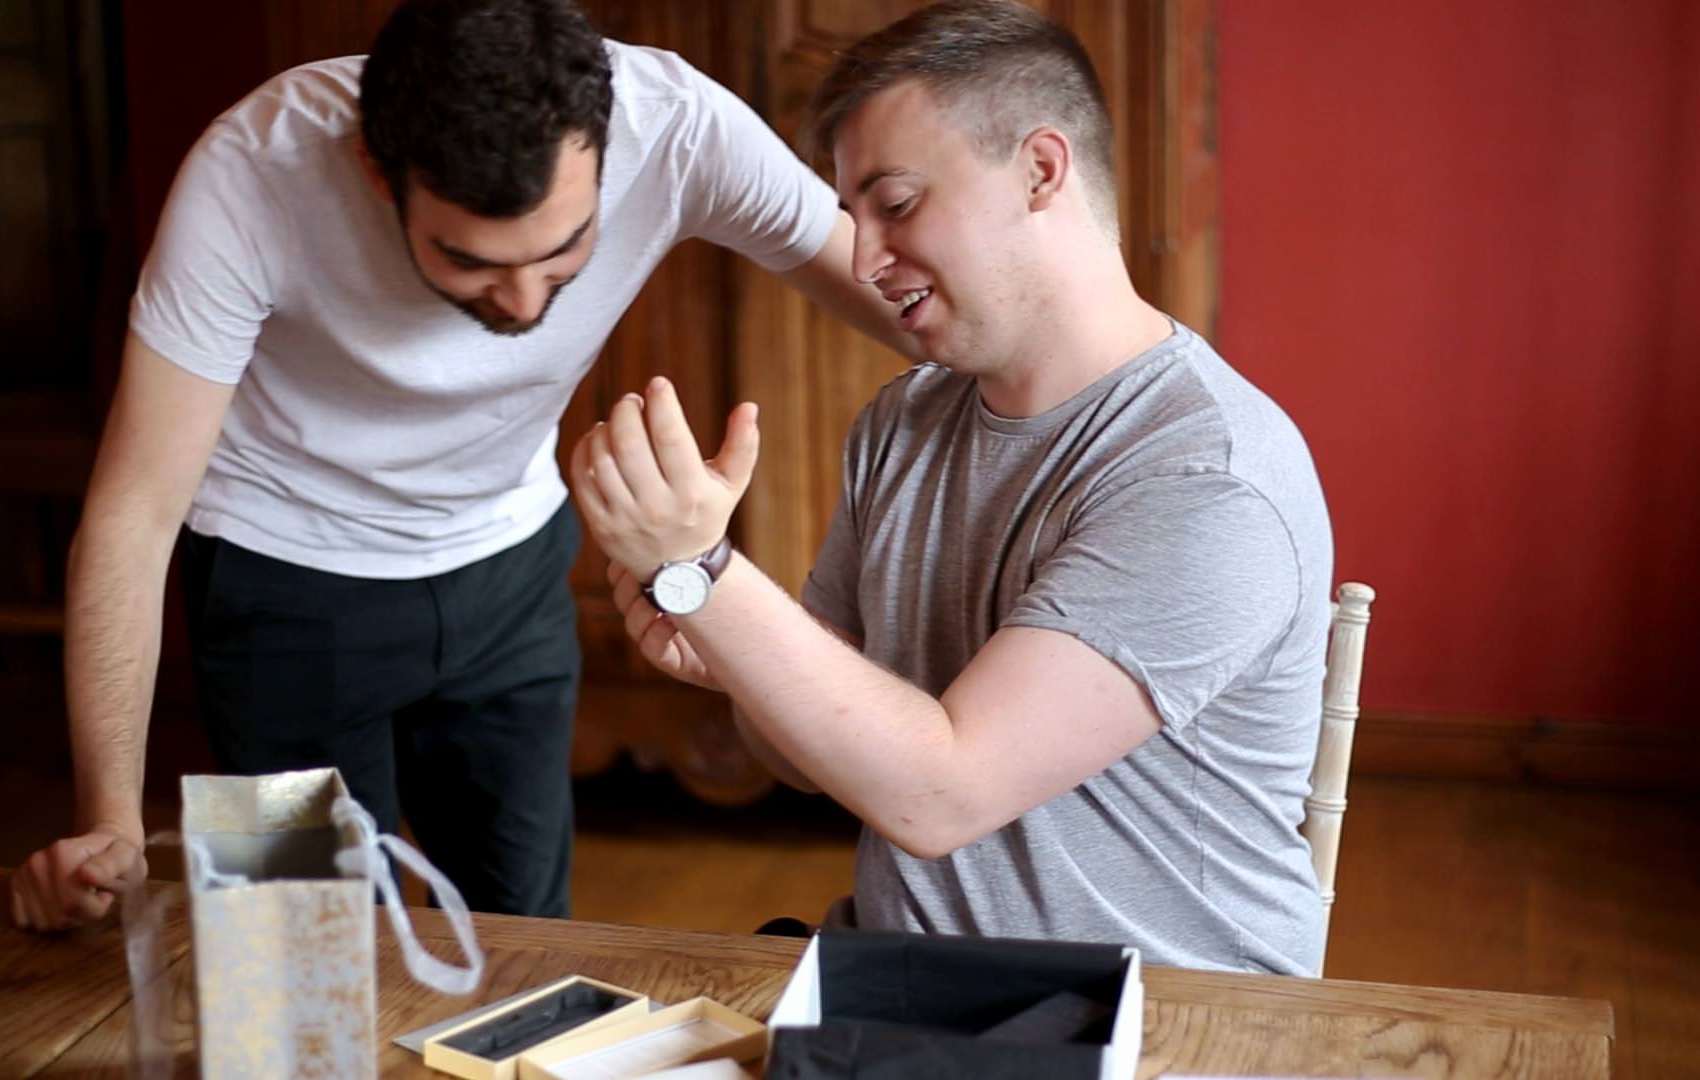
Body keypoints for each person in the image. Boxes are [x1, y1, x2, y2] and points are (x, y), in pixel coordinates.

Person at [9, 0, 907, 931]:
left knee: (525, 937)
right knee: (289, 963)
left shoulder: (676, 125)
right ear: (375, 170)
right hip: (274, 590)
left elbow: (910, 301)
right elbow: (133, 511)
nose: (524, 303)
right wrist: (106, 816)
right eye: (471, 261)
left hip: (511, 568)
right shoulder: (251, 172)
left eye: (563, 252)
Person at [569, 0, 1335, 975]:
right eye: (852, 217)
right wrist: (732, 657)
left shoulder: (1204, 478)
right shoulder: (903, 423)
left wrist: (710, 577)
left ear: (1040, 171)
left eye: (896, 204)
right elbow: (802, 764)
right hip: (908, 997)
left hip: (1157, 1027)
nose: (865, 258)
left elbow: (942, 794)